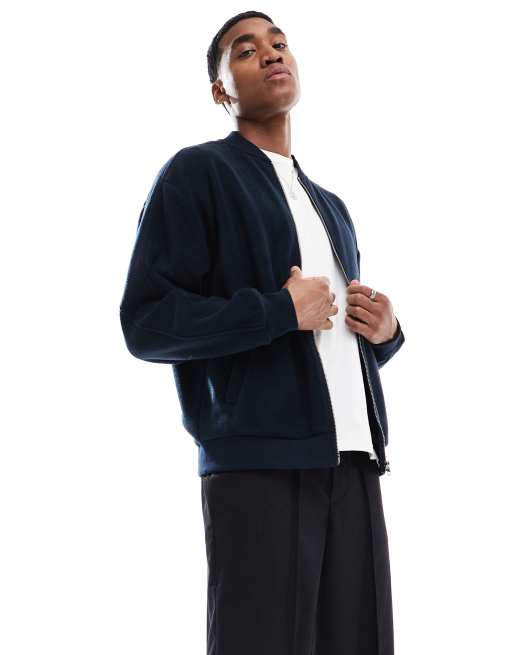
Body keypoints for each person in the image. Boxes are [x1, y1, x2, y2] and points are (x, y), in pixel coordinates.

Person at [119, 10, 405, 655]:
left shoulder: (331, 206)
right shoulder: (199, 174)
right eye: (246, 51)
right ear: (220, 90)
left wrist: (383, 334)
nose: (272, 54)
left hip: (354, 465)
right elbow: (147, 322)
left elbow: (320, 353)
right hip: (258, 468)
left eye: (279, 43)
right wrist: (278, 310)